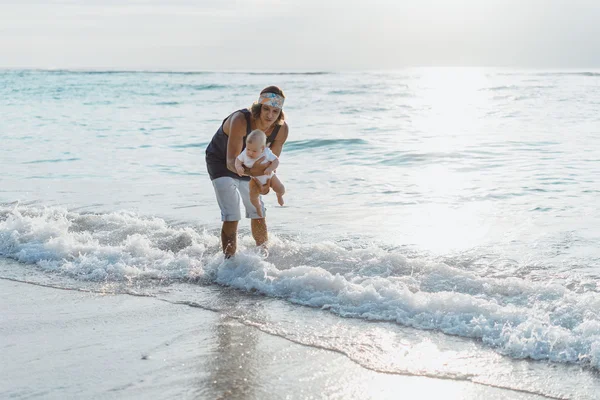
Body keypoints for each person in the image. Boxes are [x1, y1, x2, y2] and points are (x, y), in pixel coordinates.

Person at [205, 86, 289, 258]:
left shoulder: (281, 129)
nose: (270, 115)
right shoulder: (241, 120)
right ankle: (229, 265)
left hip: (251, 167)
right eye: (266, 109)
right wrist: (254, 174)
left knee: (257, 211)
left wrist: (265, 182)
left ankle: (262, 259)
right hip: (222, 162)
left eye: (275, 111)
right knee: (232, 213)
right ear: (259, 108)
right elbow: (231, 161)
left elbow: (270, 163)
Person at [235, 129, 286, 218]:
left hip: (269, 176)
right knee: (253, 196)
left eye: (254, 151)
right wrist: (239, 167)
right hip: (255, 179)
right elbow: (237, 160)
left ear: (262, 148)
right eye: (248, 149)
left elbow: (276, 161)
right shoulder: (244, 153)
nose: (250, 153)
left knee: (280, 188)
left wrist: (271, 168)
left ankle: (279, 195)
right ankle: (258, 207)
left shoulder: (266, 153)